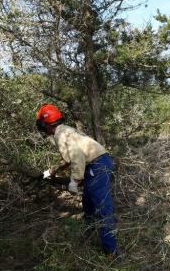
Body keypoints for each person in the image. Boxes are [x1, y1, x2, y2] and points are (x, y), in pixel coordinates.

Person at [35, 104, 117, 256]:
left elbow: (77, 157)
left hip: (96, 165)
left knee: (102, 208)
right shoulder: (66, 130)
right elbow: (69, 158)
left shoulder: (60, 134)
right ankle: (90, 235)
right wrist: (52, 171)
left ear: (44, 124)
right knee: (88, 204)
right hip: (99, 162)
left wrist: (74, 181)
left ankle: (111, 251)